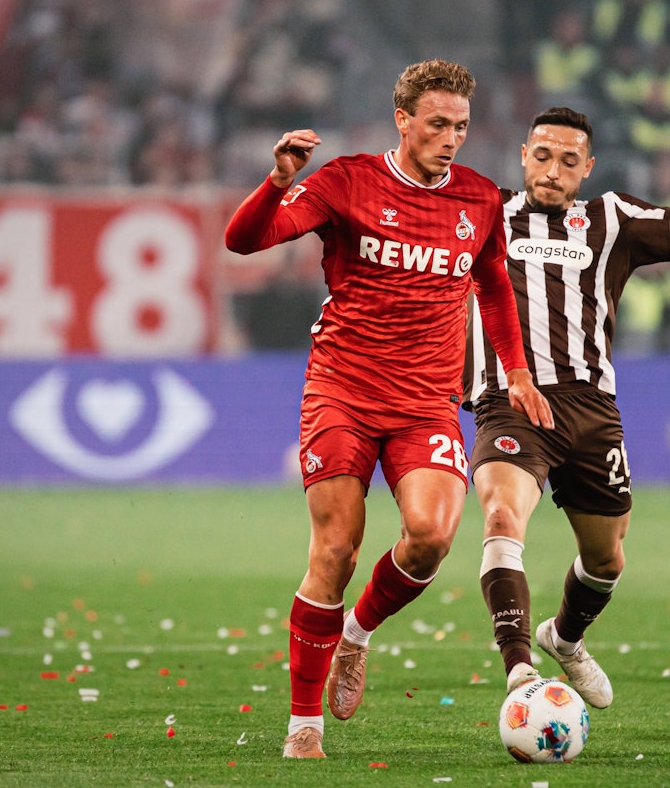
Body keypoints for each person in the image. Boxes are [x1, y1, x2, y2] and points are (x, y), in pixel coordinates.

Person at [224, 59, 553, 760]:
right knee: (335, 550)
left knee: (432, 535)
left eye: (461, 126)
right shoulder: (346, 181)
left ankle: (356, 636)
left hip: (426, 401)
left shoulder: (478, 199)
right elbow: (244, 241)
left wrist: (517, 372)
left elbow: (492, 284)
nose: (450, 138)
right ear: (401, 119)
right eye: (437, 123)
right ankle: (302, 728)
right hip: (342, 390)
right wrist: (277, 182)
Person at [464, 106, 670, 708]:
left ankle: (564, 638)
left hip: (592, 410)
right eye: (542, 156)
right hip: (511, 402)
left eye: (569, 161)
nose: (553, 170)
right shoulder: (484, 212)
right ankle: (519, 672)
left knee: (606, 558)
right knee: (500, 517)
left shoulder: (611, 219)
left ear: (586, 168)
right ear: (522, 156)